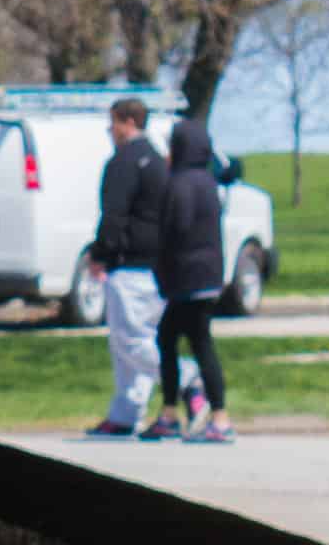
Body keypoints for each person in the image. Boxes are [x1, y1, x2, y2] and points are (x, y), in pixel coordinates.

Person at [146, 116, 237, 444]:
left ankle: (217, 418)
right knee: (170, 337)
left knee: (194, 343)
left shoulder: (180, 183)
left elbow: (176, 229)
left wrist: (161, 267)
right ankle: (172, 411)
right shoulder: (208, 181)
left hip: (187, 277)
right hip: (208, 274)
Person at [84, 96, 163, 435]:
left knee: (129, 342)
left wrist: (101, 253)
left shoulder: (123, 163)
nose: (109, 130)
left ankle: (191, 380)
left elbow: (113, 214)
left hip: (128, 264)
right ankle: (126, 412)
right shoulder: (159, 161)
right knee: (134, 341)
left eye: (112, 122)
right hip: (158, 265)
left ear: (128, 122)